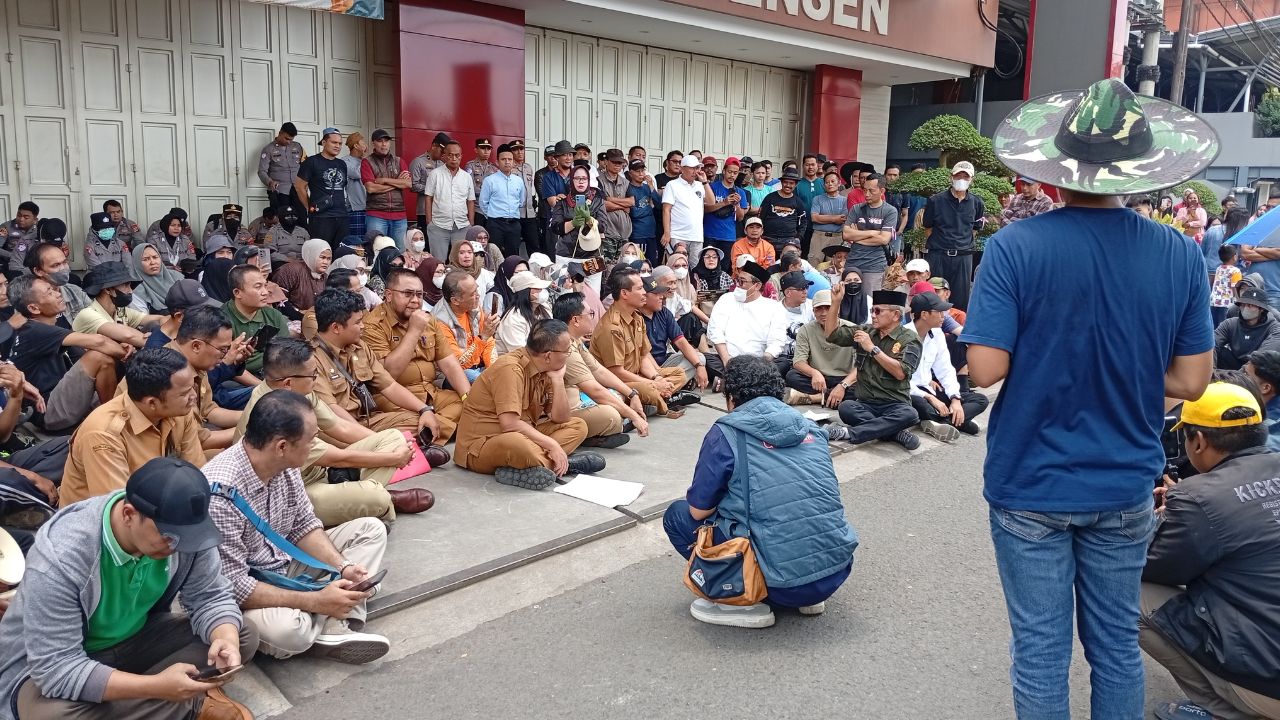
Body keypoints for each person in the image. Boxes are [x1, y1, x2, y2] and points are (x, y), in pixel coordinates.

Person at [967, 78, 1218, 718]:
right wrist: (1125, 361)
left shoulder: (1012, 247)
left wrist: (1054, 347)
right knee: (1116, 645)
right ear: (1139, 170)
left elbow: (985, 369)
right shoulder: (1179, 253)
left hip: (1030, 482)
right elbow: (1191, 383)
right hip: (1125, 483)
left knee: (1041, 649)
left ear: (1057, 168)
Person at [0, 457, 256, 720]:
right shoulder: (62, 557)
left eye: (186, 536)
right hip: (53, 662)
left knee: (242, 634)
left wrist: (225, 638)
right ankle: (183, 703)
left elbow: (210, 596)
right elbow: (56, 669)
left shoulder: (185, 529)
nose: (177, 545)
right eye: (168, 536)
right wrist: (156, 688)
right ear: (129, 514)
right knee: (53, 716)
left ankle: (161, 702)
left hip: (135, 640)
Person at [662, 354, 857, 628]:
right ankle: (806, 595)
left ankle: (743, 599)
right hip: (834, 571)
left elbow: (698, 510)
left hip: (779, 585)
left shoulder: (726, 433)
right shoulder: (812, 429)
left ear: (731, 398)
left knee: (678, 515)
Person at [207, 391, 392, 664]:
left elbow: (303, 525)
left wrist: (343, 566)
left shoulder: (286, 463)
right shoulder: (220, 494)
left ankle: (332, 616)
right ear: (282, 446)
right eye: (311, 439)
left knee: (371, 530)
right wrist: (315, 600)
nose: (315, 444)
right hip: (248, 588)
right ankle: (333, 614)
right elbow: (234, 586)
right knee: (287, 632)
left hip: (284, 564)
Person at [1141, 382, 1280, 720]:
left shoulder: (1198, 498)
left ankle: (1222, 710)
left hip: (1269, 685)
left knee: (1126, 594)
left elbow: (1152, 568)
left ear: (1198, 441)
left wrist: (1164, 518)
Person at [235, 338, 428, 526]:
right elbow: (336, 458)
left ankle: (357, 501)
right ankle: (375, 500)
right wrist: (393, 459)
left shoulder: (297, 392)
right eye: (312, 375)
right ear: (288, 383)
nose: (316, 378)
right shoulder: (274, 414)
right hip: (294, 492)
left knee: (394, 437)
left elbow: (338, 426)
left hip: (320, 472)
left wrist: (391, 448)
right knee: (376, 497)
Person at [455, 319, 606, 488]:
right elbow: (509, 424)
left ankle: (533, 466)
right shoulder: (510, 369)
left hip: (525, 433)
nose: (568, 354)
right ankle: (566, 465)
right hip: (482, 446)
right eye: (567, 351)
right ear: (548, 355)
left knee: (578, 426)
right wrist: (552, 445)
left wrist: (557, 381)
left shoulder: (546, 368)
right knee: (518, 444)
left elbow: (560, 418)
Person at [310, 289, 450, 465]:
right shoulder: (311, 360)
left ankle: (397, 453)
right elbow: (331, 413)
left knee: (424, 422)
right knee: (333, 445)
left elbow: (389, 386)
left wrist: (424, 410)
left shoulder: (359, 347)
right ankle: (403, 455)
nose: (363, 326)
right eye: (358, 322)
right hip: (336, 429)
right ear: (336, 328)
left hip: (365, 420)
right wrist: (376, 440)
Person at [60, 347, 206, 505]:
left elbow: (196, 471)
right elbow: (117, 508)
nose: (193, 396)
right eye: (184, 393)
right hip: (98, 521)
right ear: (152, 402)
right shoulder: (104, 434)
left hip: (157, 499)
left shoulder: (179, 410)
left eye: (192, 387)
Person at [364, 267, 471, 446]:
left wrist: (468, 398)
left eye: (419, 295)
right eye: (408, 294)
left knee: (473, 407)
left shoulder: (430, 321)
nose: (415, 300)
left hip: (430, 393)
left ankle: (428, 435)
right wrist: (414, 331)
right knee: (409, 421)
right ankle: (438, 432)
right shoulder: (373, 325)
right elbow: (388, 375)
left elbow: (450, 365)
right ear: (389, 295)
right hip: (394, 400)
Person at [7, 276, 128, 432]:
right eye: (49, 292)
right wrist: (129, 356)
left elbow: (84, 350)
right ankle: (111, 422)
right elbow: (98, 342)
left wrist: (119, 348)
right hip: (48, 410)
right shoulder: (33, 329)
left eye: (54, 289)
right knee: (99, 357)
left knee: (115, 373)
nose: (58, 293)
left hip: (63, 400)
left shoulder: (50, 325)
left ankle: (112, 415)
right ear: (34, 308)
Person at [820, 285, 923, 449]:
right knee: (847, 407)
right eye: (872, 311)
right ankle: (894, 432)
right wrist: (836, 303)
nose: (873, 316)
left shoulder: (910, 339)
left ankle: (849, 433)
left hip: (894, 404)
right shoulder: (866, 331)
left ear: (896, 315)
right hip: (866, 403)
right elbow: (832, 334)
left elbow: (901, 373)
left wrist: (873, 349)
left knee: (910, 414)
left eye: (878, 311)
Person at [551, 291, 648, 448]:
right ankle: (598, 433)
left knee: (618, 396)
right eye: (590, 313)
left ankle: (611, 426)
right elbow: (594, 389)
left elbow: (599, 371)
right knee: (612, 415)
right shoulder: (565, 346)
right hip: (564, 411)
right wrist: (632, 415)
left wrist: (632, 394)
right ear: (575, 320)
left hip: (580, 401)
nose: (593, 317)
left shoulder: (574, 340)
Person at [592, 268, 692, 416]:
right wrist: (653, 384)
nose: (644, 292)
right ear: (624, 293)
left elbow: (643, 356)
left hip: (637, 375)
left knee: (679, 374)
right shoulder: (611, 327)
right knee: (649, 390)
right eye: (639, 288)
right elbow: (616, 372)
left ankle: (658, 399)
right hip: (618, 382)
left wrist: (656, 378)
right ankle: (660, 401)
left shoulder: (637, 318)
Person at [906, 291, 987, 441]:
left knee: (981, 400)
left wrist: (955, 399)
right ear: (924, 314)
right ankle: (956, 421)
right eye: (939, 312)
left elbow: (945, 370)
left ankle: (944, 422)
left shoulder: (936, 334)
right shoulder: (904, 335)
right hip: (913, 392)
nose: (944, 316)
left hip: (930, 387)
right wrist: (929, 397)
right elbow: (902, 381)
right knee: (917, 403)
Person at [704, 260, 789, 384]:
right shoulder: (726, 299)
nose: (737, 285)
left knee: (783, 363)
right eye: (737, 280)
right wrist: (727, 360)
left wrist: (762, 362)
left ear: (757, 286)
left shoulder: (773, 307)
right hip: (728, 360)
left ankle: (729, 382)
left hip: (759, 361)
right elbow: (715, 332)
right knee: (704, 359)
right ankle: (753, 382)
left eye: (742, 282)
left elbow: (776, 341)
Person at [922, 161, 985, 310]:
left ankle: (957, 331)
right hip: (938, 255)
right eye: (958, 176)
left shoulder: (977, 203)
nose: (961, 179)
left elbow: (974, 229)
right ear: (951, 177)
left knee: (960, 300)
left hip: (963, 257)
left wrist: (961, 244)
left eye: (966, 176)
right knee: (934, 296)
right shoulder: (935, 200)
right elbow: (928, 228)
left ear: (972, 180)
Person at [785, 289, 857, 408]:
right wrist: (814, 372)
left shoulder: (852, 329)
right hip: (819, 379)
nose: (823, 313)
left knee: (866, 386)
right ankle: (833, 397)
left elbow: (862, 366)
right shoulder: (806, 330)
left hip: (844, 378)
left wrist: (843, 385)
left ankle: (816, 398)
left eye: (828, 308)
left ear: (837, 309)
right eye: (819, 309)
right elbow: (798, 361)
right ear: (813, 311)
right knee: (792, 376)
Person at [638, 272, 708, 390]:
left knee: (699, 358)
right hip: (645, 366)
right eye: (656, 293)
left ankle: (666, 390)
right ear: (644, 296)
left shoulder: (664, 312)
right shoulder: (635, 317)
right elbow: (643, 354)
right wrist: (656, 374)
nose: (661, 296)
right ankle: (668, 391)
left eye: (661, 292)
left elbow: (681, 341)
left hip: (665, 361)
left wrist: (699, 366)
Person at [70, 261, 163, 349]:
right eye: (126, 285)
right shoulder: (88, 314)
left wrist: (169, 324)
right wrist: (160, 341)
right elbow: (129, 336)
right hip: (91, 364)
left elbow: (158, 319)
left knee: (154, 325)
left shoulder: (120, 310)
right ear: (108, 290)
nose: (130, 291)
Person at [222, 264, 291, 376]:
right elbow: (226, 365)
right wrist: (263, 387)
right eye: (258, 287)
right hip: (238, 379)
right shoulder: (221, 319)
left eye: (265, 285)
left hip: (274, 374)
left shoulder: (273, 315)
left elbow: (287, 352)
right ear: (237, 293)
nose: (265, 292)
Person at [432, 270, 498, 380]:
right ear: (455, 300)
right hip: (453, 375)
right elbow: (458, 365)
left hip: (478, 367)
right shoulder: (440, 322)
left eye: (477, 289)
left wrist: (494, 370)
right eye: (473, 294)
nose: (478, 295)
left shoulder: (473, 306)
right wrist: (483, 337)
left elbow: (489, 342)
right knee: (476, 378)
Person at [842, 173, 898, 296]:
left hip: (875, 264)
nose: (867, 194)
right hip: (853, 261)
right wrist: (872, 233)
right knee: (848, 298)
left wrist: (857, 236)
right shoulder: (856, 208)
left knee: (870, 301)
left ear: (882, 190)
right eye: (864, 190)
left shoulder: (890, 211)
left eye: (871, 191)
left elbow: (884, 239)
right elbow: (846, 234)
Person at [295, 128, 352, 249]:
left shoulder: (342, 164)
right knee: (321, 252)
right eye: (334, 142)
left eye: (340, 143)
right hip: (321, 217)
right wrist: (309, 207)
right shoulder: (311, 162)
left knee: (340, 252)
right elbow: (299, 186)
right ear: (324, 143)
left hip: (342, 215)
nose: (337, 146)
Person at [422, 140, 476, 259]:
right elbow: (428, 198)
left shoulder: (466, 177)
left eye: (457, 155)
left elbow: (470, 201)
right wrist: (429, 222)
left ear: (461, 156)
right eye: (450, 155)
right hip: (438, 226)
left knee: (460, 263)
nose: (454, 158)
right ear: (444, 156)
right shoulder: (435, 174)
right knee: (438, 262)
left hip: (462, 227)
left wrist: (470, 223)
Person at [23, 241, 92, 322]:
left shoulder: (76, 292)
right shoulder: (29, 301)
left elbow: (95, 321)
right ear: (38, 271)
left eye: (65, 262)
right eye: (56, 265)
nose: (63, 268)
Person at [1214, 287, 1280, 370]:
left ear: (1262, 309)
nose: (1245, 308)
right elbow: (1213, 344)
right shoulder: (1229, 324)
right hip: (1234, 364)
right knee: (1214, 351)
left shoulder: (1274, 328)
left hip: (1257, 369)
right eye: (1243, 304)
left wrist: (1241, 376)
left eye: (1250, 305)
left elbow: (1262, 358)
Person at [480, 143, 526, 257]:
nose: (507, 162)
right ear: (497, 162)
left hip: (514, 224)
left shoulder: (518, 181)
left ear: (513, 162)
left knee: (513, 256)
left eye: (510, 159)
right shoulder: (489, 180)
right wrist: (492, 215)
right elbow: (483, 203)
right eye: (503, 159)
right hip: (495, 224)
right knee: (493, 255)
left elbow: (522, 201)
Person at [495, 271, 553, 356]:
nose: (542, 290)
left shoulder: (544, 308)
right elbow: (520, 354)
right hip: (516, 365)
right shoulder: (514, 319)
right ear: (525, 292)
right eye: (537, 288)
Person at [661, 155, 707, 258]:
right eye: (691, 168)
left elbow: (711, 201)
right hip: (678, 235)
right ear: (682, 169)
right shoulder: (672, 185)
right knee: (677, 266)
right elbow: (666, 210)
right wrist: (667, 232)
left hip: (697, 236)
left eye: (697, 167)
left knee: (695, 269)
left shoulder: (700, 185)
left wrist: (704, 182)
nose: (695, 171)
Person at [259, 121, 307, 214]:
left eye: (291, 139)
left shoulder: (298, 146)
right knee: (282, 220)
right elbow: (261, 171)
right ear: (280, 133)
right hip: (280, 191)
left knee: (302, 219)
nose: (289, 142)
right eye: (286, 138)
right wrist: (270, 182)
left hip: (298, 190)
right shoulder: (268, 149)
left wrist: (306, 183)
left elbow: (305, 165)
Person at [703, 158, 747, 257]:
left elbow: (740, 218)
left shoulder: (740, 192)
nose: (732, 175)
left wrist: (737, 204)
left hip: (728, 236)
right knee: (707, 263)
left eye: (735, 173)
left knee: (725, 267)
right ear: (723, 171)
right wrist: (724, 202)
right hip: (710, 234)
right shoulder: (712, 187)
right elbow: (705, 209)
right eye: (730, 172)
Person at [758, 168, 807, 254]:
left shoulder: (798, 201)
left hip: (789, 241)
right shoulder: (770, 198)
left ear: (796, 184)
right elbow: (760, 217)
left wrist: (798, 237)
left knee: (788, 265)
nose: (788, 185)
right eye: (785, 182)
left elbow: (803, 222)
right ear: (781, 182)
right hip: (768, 239)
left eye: (791, 183)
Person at [128, 243, 183, 315]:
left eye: (155, 257)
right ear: (137, 263)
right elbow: (142, 320)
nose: (153, 262)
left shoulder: (177, 277)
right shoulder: (136, 288)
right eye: (145, 259)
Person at [410, 132, 450, 229]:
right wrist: (432, 189)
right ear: (434, 146)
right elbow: (413, 185)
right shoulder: (418, 162)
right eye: (442, 151)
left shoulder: (444, 164)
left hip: (442, 211)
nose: (443, 155)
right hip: (424, 211)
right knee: (427, 241)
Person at [449, 229, 496, 298]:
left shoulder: (484, 273)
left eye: (470, 252)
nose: (467, 256)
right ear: (455, 255)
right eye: (462, 253)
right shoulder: (448, 275)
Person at [2, 202, 39, 274]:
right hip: (11, 264)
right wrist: (14, 256)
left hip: (32, 264)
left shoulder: (39, 229)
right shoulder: (6, 227)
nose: (21, 219)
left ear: (35, 220)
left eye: (26, 217)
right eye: (19, 215)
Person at [1211, 244, 1243, 328]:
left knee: (1215, 326)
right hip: (1227, 303)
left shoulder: (1219, 268)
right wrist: (1239, 301)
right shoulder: (1236, 271)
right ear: (1234, 257)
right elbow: (1235, 287)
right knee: (1224, 327)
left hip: (1214, 301)